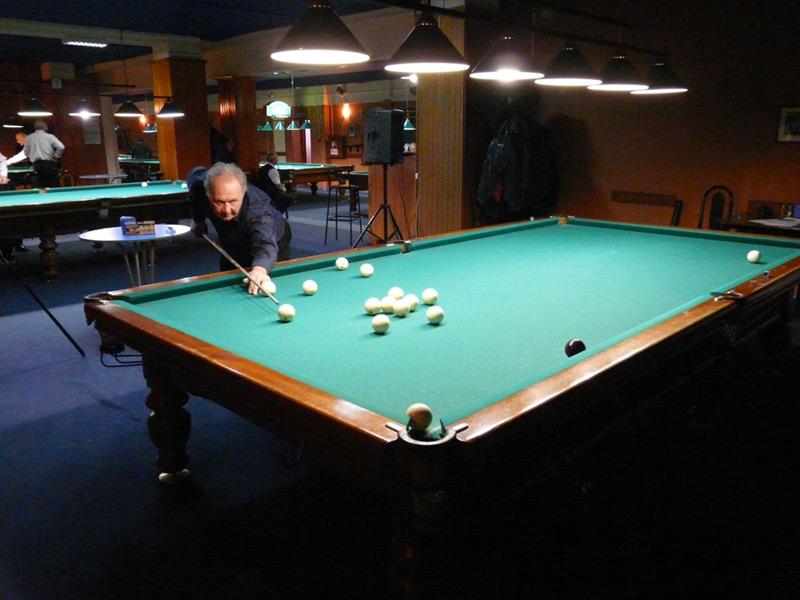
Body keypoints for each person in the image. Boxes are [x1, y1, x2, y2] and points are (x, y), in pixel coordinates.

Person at [187, 163, 291, 295]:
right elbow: (194, 188)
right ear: (208, 193)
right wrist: (198, 219)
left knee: (262, 279)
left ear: (243, 193)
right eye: (219, 202)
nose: (226, 210)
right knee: (229, 284)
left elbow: (265, 244)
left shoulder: (257, 211)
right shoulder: (200, 183)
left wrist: (259, 270)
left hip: (274, 238)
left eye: (233, 201)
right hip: (230, 235)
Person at [23, 120, 65, 188]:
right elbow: (61, 147)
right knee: (53, 185)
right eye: (47, 127)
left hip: (36, 165)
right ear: (44, 127)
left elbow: (26, 152)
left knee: (40, 186)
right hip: (49, 164)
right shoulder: (50, 136)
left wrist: (31, 156)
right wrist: (56, 156)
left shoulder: (28, 138)